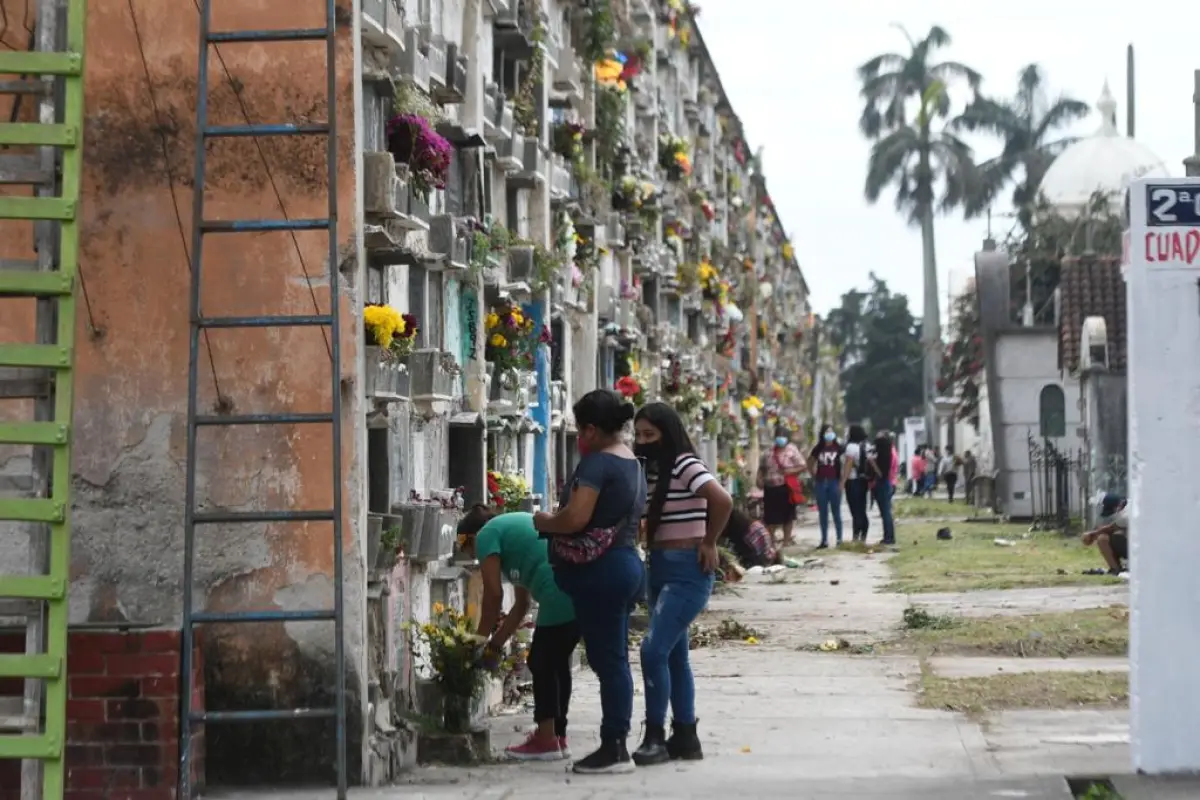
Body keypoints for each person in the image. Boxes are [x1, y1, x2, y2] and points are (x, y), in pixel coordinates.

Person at [533, 389, 646, 774]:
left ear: (593, 429)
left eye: (581, 430)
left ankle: (614, 746)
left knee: (609, 660)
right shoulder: (632, 462)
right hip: (625, 564)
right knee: (613, 658)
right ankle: (616, 742)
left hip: (602, 572)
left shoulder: (598, 464)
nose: (580, 437)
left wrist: (545, 522)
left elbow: (577, 518)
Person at [631, 402, 733, 766]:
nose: (642, 441)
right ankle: (686, 736)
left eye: (650, 435)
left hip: (687, 568)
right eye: (638, 434)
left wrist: (709, 541)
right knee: (674, 655)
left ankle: (655, 735)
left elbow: (722, 500)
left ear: (667, 434)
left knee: (652, 650)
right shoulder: (654, 472)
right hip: (658, 566)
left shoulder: (684, 464)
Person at [457, 507, 578, 761]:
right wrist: (495, 646)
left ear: (471, 536)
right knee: (556, 664)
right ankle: (558, 736)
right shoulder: (511, 539)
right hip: (571, 587)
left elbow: (493, 597)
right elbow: (521, 605)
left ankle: (546, 741)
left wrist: (477, 642)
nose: (470, 553)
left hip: (555, 588)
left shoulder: (487, 535)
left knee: (541, 661)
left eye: (463, 543)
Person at [757, 424, 805, 546]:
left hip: (786, 486)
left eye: (783, 436)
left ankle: (786, 540)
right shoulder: (768, 452)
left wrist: (791, 471)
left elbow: (802, 465)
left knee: (787, 516)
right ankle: (771, 540)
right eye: (778, 436)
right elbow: (761, 468)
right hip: (770, 487)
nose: (780, 438)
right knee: (770, 517)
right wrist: (759, 479)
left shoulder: (792, 450)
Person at [807, 424, 844, 548]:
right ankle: (824, 540)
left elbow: (844, 464)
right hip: (821, 482)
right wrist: (813, 475)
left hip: (834, 481)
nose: (829, 434)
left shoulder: (839, 448)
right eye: (827, 431)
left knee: (836, 511)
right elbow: (810, 462)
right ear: (822, 434)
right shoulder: (818, 448)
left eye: (831, 431)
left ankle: (839, 539)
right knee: (823, 512)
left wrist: (842, 481)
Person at [1082, 493, 1129, 577]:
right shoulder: (1120, 512)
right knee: (1103, 538)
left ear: (1120, 505)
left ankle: (1120, 568)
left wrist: (1092, 534)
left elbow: (1111, 528)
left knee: (1107, 537)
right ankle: (1115, 569)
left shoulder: (1127, 513)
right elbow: (1106, 529)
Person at [841, 424, 873, 543]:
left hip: (852, 480)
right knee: (862, 508)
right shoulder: (867, 445)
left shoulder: (850, 447)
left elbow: (848, 465)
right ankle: (863, 535)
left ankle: (856, 535)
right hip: (863, 480)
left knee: (855, 510)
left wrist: (843, 481)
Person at [871, 431, 897, 546]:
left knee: (886, 511)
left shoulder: (887, 454)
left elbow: (882, 473)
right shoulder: (890, 452)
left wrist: (872, 462)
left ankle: (889, 537)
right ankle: (888, 536)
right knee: (885, 511)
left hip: (885, 483)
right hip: (888, 483)